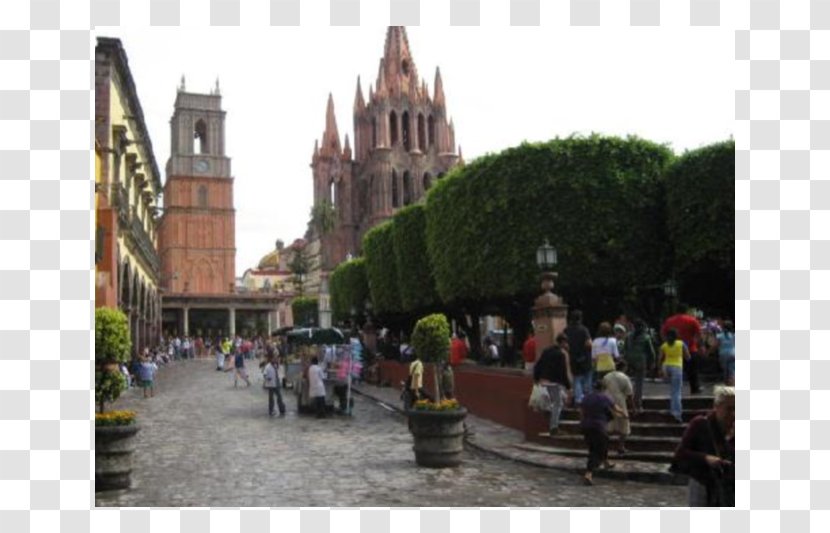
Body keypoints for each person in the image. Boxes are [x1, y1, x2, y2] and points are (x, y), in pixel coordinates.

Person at [672, 385, 735, 506]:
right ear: (717, 406)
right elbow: (680, 454)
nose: (733, 413)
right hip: (703, 483)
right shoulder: (700, 424)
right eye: (729, 408)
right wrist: (706, 458)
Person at [580, 379, 627, 485]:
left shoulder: (586, 397)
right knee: (597, 451)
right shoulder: (604, 397)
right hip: (598, 426)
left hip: (586, 426)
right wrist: (624, 414)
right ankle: (589, 473)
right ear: (603, 388)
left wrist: (582, 422)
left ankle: (606, 462)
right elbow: (616, 408)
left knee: (596, 446)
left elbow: (581, 412)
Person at [533, 333, 572, 436]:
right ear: (563, 342)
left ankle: (553, 421)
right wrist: (568, 387)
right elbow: (563, 372)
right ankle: (554, 427)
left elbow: (538, 365)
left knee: (554, 402)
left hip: (544, 380)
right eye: (566, 343)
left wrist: (536, 378)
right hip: (554, 382)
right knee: (558, 403)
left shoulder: (546, 351)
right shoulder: (561, 354)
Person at [662, 304, 703, 394]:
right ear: (686, 311)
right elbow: (699, 334)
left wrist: (668, 344)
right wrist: (696, 343)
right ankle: (695, 388)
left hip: (674, 349)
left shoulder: (669, 321)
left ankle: (676, 389)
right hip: (691, 348)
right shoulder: (692, 320)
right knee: (693, 370)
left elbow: (663, 334)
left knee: (676, 370)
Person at [603, 359, 635, 455]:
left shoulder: (607, 376)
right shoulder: (625, 378)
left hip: (607, 400)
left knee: (607, 424)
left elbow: (602, 388)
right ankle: (621, 446)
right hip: (620, 401)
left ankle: (604, 446)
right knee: (624, 425)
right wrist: (633, 407)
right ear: (624, 368)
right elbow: (630, 395)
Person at [659, 328, 691, 423]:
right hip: (677, 367)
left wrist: (660, 370)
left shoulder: (664, 345)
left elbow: (660, 359)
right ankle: (677, 415)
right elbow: (688, 357)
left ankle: (672, 409)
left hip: (666, 367)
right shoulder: (681, 344)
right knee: (676, 392)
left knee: (672, 391)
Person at [624, 319, 656, 412]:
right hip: (640, 362)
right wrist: (652, 362)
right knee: (639, 384)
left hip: (629, 361)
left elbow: (625, 348)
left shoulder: (628, 336)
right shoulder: (646, 337)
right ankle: (638, 404)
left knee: (627, 382)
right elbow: (651, 352)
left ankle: (627, 401)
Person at [565, 310, 593, 405]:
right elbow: (589, 343)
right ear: (580, 318)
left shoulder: (567, 330)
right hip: (585, 358)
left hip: (573, 358)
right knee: (587, 379)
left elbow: (565, 345)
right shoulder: (584, 330)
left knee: (576, 379)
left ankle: (578, 400)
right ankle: (588, 400)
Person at [713, 321, 735, 386]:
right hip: (733, 353)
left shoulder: (719, 336)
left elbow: (715, 345)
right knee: (732, 371)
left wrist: (708, 352)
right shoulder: (733, 335)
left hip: (723, 354)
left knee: (725, 371)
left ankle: (726, 386)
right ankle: (732, 387)